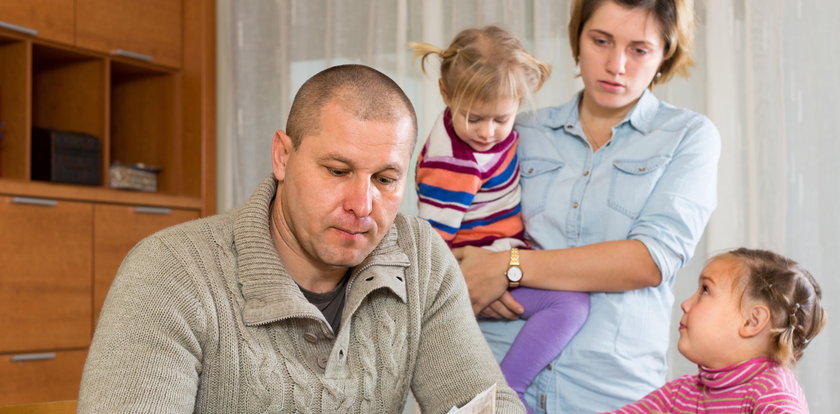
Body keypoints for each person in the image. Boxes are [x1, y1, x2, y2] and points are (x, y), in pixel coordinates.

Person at [77, 64, 524, 413]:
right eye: (337, 171)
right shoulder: (170, 271)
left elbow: (484, 403)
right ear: (283, 156)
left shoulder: (420, 257)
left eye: (385, 179)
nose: (361, 204)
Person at [453, 0, 721, 412]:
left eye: (639, 49)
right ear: (577, 37)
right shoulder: (518, 128)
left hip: (609, 395)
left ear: (665, 52)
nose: (616, 64)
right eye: (601, 41)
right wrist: (471, 275)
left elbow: (648, 261)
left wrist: (506, 267)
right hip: (491, 379)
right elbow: (462, 218)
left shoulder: (689, 137)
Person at [410, 26, 589, 413]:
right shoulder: (453, 164)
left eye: (501, 119)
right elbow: (432, 242)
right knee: (571, 305)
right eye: (475, 118)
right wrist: (464, 292)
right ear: (445, 94)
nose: (488, 132)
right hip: (474, 265)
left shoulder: (479, 132)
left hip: (499, 255)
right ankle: (509, 394)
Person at [606, 248, 827, 413]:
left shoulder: (773, 395)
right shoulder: (680, 394)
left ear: (752, 321)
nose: (685, 303)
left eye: (705, 290)